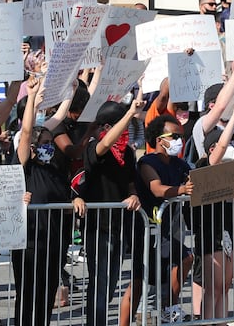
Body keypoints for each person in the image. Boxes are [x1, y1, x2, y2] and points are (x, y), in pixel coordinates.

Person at [13, 76, 80, 326]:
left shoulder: (54, 171)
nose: (48, 147)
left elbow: (57, 120)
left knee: (47, 292)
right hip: (30, 241)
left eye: (50, 144)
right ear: (31, 147)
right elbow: (29, 131)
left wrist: (69, 94)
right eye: (43, 144)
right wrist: (31, 96)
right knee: (28, 293)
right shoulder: (26, 167)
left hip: (54, 242)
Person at [80, 99, 144, 326]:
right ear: (106, 127)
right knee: (100, 279)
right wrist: (129, 114)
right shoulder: (93, 146)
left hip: (119, 224)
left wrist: (133, 194)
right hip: (99, 226)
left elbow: (128, 182)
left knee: (112, 280)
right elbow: (104, 145)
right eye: (121, 126)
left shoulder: (127, 153)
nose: (125, 132)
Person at [193, 102, 234, 325]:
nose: (229, 147)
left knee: (225, 284)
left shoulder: (233, 164)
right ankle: (209, 321)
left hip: (232, 224)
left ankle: (222, 321)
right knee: (214, 284)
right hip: (212, 227)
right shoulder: (204, 164)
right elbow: (219, 151)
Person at [133, 115, 196, 323]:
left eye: (181, 136)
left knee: (185, 258)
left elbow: (198, 181)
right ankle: (143, 314)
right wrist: (182, 189)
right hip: (149, 227)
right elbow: (157, 189)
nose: (179, 140)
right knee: (142, 280)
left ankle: (169, 306)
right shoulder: (146, 162)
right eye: (174, 136)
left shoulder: (180, 164)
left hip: (169, 228)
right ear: (160, 139)